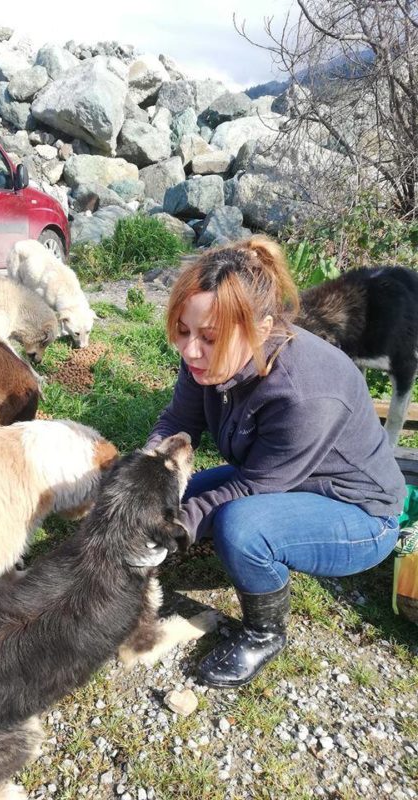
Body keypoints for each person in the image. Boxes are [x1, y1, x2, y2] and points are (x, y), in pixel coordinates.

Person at [145, 236, 405, 689]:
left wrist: (185, 523)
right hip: (284, 478)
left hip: (358, 514)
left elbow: (251, 489)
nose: (189, 350)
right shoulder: (202, 359)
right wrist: (149, 473)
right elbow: (179, 421)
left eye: (208, 338)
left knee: (240, 527)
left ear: (260, 330)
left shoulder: (305, 392)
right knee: (186, 495)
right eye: (184, 332)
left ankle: (264, 632)